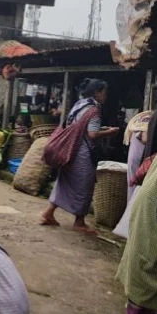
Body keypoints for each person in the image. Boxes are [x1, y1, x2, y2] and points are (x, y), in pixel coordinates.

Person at [41, 79, 119, 236]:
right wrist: (111, 132)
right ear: (97, 93)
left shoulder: (80, 104)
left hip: (69, 151)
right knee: (85, 185)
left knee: (64, 182)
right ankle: (79, 222)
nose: (106, 96)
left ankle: (48, 213)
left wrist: (101, 128)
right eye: (104, 92)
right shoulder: (94, 110)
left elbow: (81, 126)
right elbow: (92, 134)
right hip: (82, 154)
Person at [116, 156, 157, 314]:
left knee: (143, 249)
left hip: (149, 200)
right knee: (150, 254)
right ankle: (146, 313)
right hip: (153, 206)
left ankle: (136, 310)